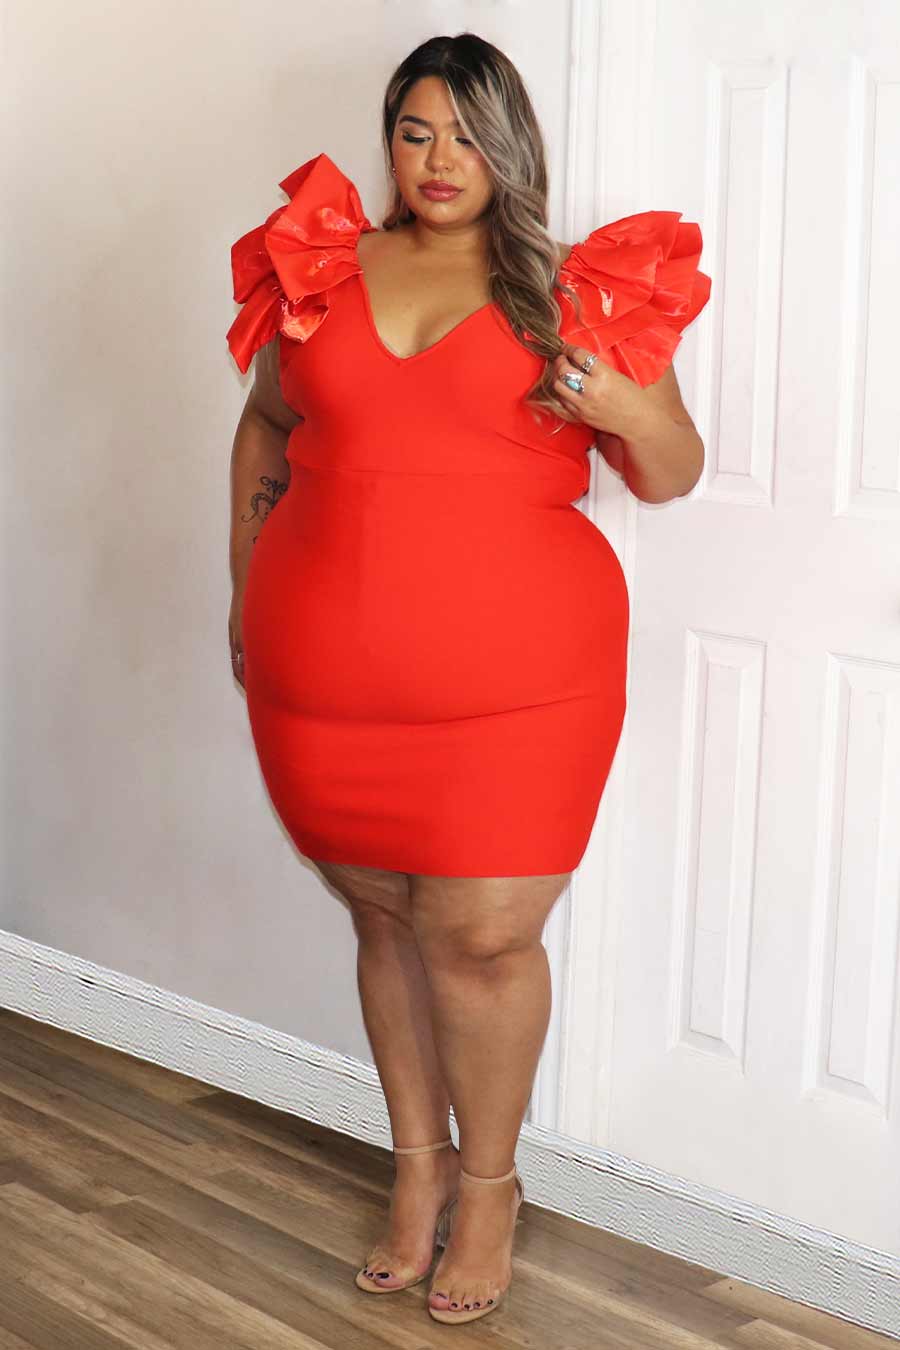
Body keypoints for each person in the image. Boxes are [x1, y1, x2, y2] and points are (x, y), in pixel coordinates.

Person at [225, 31, 710, 1327]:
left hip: (520, 691)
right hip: (321, 680)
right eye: (415, 131)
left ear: (512, 146)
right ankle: (417, 1170)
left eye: (467, 135)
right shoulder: (322, 267)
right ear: (390, 141)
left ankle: (489, 1190)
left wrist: (623, 406)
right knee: (385, 920)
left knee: (483, 940)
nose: (440, 161)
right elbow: (267, 419)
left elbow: (671, 468)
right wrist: (244, 582)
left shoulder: (572, 290)